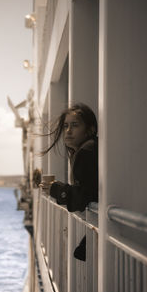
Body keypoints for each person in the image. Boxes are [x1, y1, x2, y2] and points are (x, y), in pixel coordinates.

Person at [41, 103, 98, 261]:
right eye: (65, 126)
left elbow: (85, 195)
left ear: (90, 129)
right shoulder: (91, 147)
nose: (68, 131)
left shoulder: (86, 151)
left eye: (75, 125)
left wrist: (55, 189)